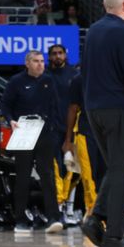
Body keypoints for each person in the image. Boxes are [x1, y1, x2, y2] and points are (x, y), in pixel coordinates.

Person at [81, 0, 124, 247]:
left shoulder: (92, 32)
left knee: (115, 167)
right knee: (122, 168)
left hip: (94, 110)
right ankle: (114, 237)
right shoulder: (123, 33)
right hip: (117, 108)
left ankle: (95, 220)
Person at [1, 51, 63, 234]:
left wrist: (54, 130)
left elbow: (56, 107)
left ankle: (53, 218)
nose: (40, 64)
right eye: (36, 61)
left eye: (42, 61)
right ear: (27, 63)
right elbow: (5, 104)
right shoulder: (16, 81)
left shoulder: (49, 81)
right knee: (22, 177)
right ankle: (20, 219)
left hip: (45, 134)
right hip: (24, 133)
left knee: (47, 175)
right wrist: (10, 120)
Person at [62, 72, 105, 218]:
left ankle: (111, 212)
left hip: (112, 133)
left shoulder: (116, 75)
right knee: (89, 176)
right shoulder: (80, 79)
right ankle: (94, 214)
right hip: (87, 133)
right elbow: (73, 109)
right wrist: (68, 140)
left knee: (109, 175)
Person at [46, 44, 80, 225]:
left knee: (73, 170)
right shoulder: (45, 76)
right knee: (56, 168)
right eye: (54, 54)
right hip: (51, 129)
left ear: (66, 55)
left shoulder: (74, 75)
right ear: (49, 57)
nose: (57, 56)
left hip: (71, 129)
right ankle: (58, 208)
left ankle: (70, 208)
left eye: (60, 53)